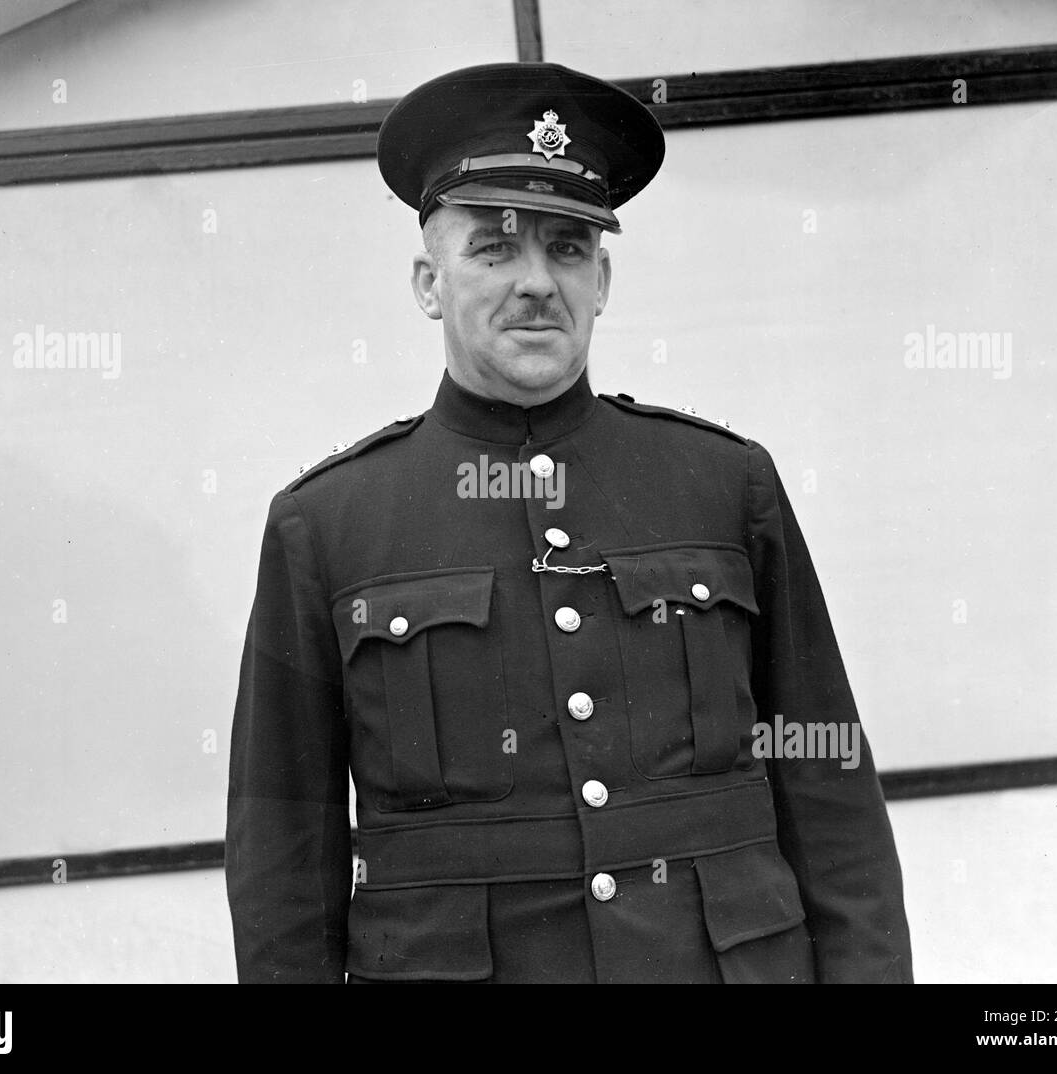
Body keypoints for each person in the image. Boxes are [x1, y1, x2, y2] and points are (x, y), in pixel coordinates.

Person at [225, 62, 913, 983]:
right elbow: (283, 859)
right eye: (495, 249)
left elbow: (829, 793)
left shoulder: (724, 485)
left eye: (568, 247)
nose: (539, 282)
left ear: (604, 279)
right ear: (429, 283)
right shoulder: (330, 526)